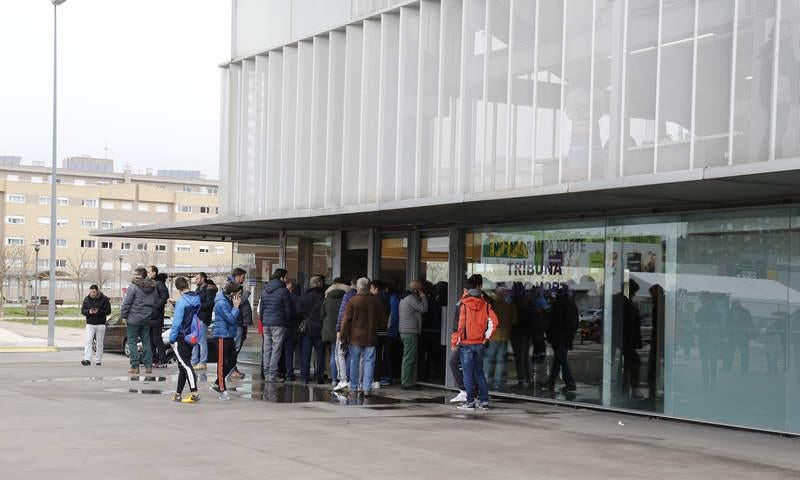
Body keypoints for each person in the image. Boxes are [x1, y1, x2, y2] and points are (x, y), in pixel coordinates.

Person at [451, 279, 500, 410]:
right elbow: (494, 323)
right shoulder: (486, 304)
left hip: (466, 344)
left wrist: (454, 342)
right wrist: (486, 338)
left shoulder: (463, 304)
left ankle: (470, 402)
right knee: (479, 373)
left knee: (467, 374)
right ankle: (484, 402)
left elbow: (459, 326)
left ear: (467, 292)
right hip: (479, 343)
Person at [339, 277, 387, 396]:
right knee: (370, 362)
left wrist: (343, 337)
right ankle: (367, 388)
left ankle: (354, 387)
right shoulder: (376, 301)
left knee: (354, 362)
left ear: (358, 287)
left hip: (355, 338)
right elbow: (383, 320)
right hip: (371, 337)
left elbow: (345, 321)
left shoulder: (353, 301)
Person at [167, 276, 201, 403]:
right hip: (192, 335)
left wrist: (171, 339)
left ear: (178, 288)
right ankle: (178, 394)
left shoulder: (182, 302)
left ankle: (194, 392)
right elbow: (190, 314)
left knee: (186, 365)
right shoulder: (197, 299)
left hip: (181, 336)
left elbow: (177, 323)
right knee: (182, 365)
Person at [121, 267, 159, 374]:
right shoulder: (153, 287)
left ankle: (135, 366)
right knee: (146, 342)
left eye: (134, 274)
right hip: (146, 318)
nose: (133, 276)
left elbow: (127, 303)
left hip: (133, 319)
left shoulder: (133, 287)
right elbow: (155, 301)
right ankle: (148, 366)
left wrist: (124, 315)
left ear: (138, 275)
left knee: (132, 341)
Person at [258, 268, 294, 382]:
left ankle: (266, 374)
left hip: (266, 323)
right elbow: (288, 309)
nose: (286, 279)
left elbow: (262, 309)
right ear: (281, 278)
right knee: (276, 349)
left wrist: (263, 321)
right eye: (286, 277)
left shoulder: (264, 290)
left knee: (267, 348)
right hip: (278, 323)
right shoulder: (284, 291)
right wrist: (286, 322)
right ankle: (273, 375)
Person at [544, 286, 579, 393]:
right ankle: (552, 380)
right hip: (566, 337)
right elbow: (575, 323)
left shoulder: (558, 305)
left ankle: (570, 382)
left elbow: (552, 323)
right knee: (559, 359)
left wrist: (549, 335)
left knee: (561, 359)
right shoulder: (571, 305)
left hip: (558, 337)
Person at [212, 282, 242, 400]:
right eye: (238, 295)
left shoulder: (228, 301)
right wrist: (236, 307)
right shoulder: (221, 303)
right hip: (221, 336)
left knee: (232, 361)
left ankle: (217, 382)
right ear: (232, 294)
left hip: (229, 335)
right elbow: (230, 319)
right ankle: (221, 389)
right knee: (221, 363)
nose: (239, 297)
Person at [484, 287, 517, 390]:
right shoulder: (510, 306)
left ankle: (486, 378)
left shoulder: (492, 306)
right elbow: (515, 320)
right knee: (500, 360)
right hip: (504, 336)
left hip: (493, 335)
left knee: (489, 358)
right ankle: (498, 381)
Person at [398, 280, 429, 389]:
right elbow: (424, 309)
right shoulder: (411, 299)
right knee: (409, 358)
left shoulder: (404, 298)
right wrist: (423, 296)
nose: (421, 290)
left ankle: (410, 381)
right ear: (416, 289)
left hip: (405, 331)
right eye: (420, 289)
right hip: (410, 331)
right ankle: (407, 383)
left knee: (409, 357)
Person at [322, 278, 349, 387]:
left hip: (329, 330)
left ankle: (333, 379)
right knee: (345, 355)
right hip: (342, 330)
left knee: (334, 354)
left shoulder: (327, 299)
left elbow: (321, 314)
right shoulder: (346, 298)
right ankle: (344, 378)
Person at [299, 275, 326, 384]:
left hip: (307, 329)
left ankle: (304, 376)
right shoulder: (324, 296)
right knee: (320, 354)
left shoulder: (305, 296)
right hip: (320, 328)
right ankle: (319, 377)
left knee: (306, 354)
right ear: (319, 283)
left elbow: (298, 311)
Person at [333, 279, 358, 391]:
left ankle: (342, 379)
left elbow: (341, 314)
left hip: (346, 329)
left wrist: (339, 329)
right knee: (356, 356)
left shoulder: (348, 296)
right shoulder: (366, 297)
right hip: (357, 331)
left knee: (339, 354)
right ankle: (356, 381)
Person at [228, 268, 252, 380]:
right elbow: (237, 302)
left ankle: (233, 368)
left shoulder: (237, 287)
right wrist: (246, 293)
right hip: (237, 322)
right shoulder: (233, 287)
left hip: (241, 322)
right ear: (237, 276)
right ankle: (231, 370)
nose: (244, 279)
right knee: (235, 347)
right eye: (243, 277)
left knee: (237, 346)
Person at [80, 284, 111, 367]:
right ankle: (87, 359)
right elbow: (83, 311)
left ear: (97, 291)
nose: (92, 293)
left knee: (99, 343)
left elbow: (108, 311)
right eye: (90, 292)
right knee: (88, 341)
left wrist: (98, 311)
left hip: (100, 324)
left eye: (93, 292)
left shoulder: (104, 299)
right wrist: (89, 311)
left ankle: (98, 360)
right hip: (90, 323)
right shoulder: (87, 299)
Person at [191, 272, 216, 370]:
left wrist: (197, 305)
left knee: (201, 341)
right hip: (196, 317)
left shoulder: (209, 290)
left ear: (202, 279)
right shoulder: (198, 289)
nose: (195, 280)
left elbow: (209, 305)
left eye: (197, 278)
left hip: (203, 318)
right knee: (195, 340)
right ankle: (194, 361)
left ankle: (203, 361)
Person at [147, 266, 169, 368]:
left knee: (157, 339)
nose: (147, 273)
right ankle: (153, 360)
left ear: (154, 273)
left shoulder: (160, 284)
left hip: (156, 316)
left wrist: (155, 307)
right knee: (151, 339)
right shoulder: (151, 283)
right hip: (149, 316)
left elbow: (164, 297)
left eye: (149, 272)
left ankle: (162, 360)